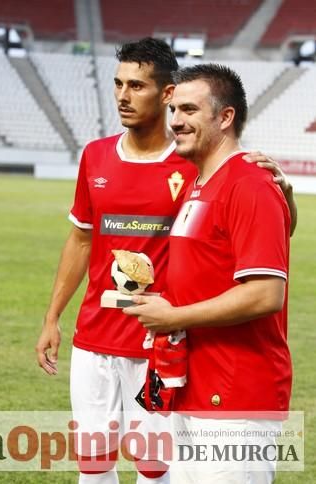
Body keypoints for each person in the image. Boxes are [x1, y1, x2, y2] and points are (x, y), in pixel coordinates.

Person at [36, 38, 296, 484]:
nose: (122, 95)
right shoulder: (116, 160)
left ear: (167, 94)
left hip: (177, 354)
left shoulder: (208, 171)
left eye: (137, 85)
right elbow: (81, 239)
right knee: (94, 465)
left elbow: (264, 269)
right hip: (125, 348)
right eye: (117, 84)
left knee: (156, 469)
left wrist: (283, 197)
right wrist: (53, 316)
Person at [124, 63, 293, 484]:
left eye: (190, 110)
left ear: (225, 116)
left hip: (237, 399)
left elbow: (266, 293)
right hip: (195, 388)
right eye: (174, 109)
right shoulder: (202, 183)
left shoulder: (248, 183)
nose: (176, 120)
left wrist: (173, 317)